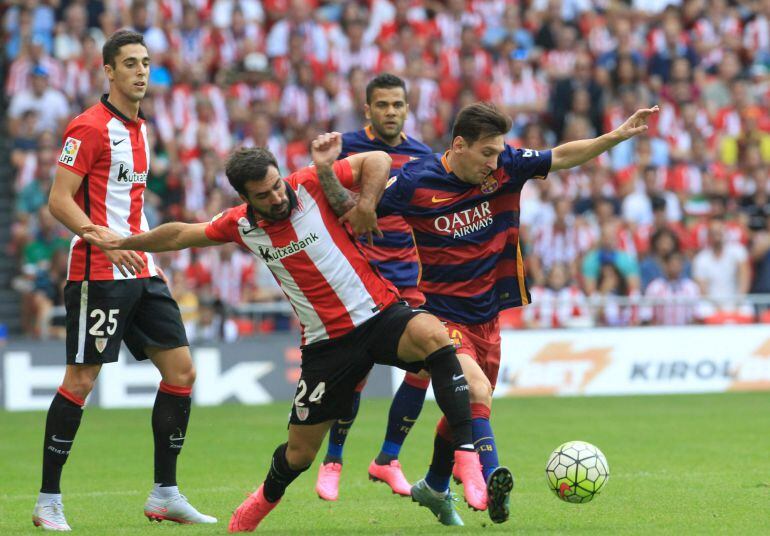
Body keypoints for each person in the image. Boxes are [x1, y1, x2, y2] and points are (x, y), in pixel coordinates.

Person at [81, 132, 489, 532]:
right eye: (264, 195)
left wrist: (366, 204)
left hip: (379, 314)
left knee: (435, 336)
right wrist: (124, 241)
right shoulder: (240, 225)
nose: (277, 197)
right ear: (246, 199)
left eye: (277, 186)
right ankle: (260, 503)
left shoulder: (309, 182)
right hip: (326, 346)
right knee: (299, 453)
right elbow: (181, 234)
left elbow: (378, 160)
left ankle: (466, 457)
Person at [318, 101, 658, 525]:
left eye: (499, 152)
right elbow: (352, 213)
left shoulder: (506, 167)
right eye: (487, 153)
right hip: (440, 319)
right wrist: (330, 175)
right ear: (459, 145)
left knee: (469, 409)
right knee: (475, 391)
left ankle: (436, 485)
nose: (495, 162)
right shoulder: (415, 182)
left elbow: (564, 155)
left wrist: (616, 136)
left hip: (488, 319)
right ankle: (488, 474)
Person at [32, 30, 216, 531]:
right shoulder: (87, 128)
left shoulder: (141, 129)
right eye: (130, 63)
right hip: (99, 272)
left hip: (143, 268)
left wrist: (135, 245)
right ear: (108, 71)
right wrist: (104, 238)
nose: (140, 71)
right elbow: (59, 200)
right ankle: (48, 501)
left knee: (181, 372)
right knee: (82, 380)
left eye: (146, 63)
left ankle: (165, 494)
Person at [315, 73, 433, 502]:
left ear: (407, 107)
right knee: (356, 372)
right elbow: (321, 201)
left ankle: (388, 458)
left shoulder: (423, 156)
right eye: (382, 105)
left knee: (426, 363)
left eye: (398, 105)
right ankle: (333, 461)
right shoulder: (343, 148)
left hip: (406, 277)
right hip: (358, 278)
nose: (390, 112)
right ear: (368, 109)